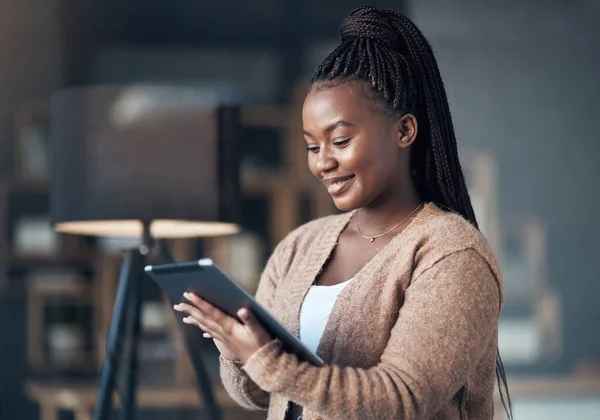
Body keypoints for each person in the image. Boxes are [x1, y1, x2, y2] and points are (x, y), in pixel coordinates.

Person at [174, 5, 512, 420]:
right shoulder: (300, 246)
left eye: (340, 140)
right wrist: (237, 351)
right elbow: (266, 395)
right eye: (313, 147)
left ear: (404, 130)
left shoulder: (452, 255)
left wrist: (266, 357)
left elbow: (401, 399)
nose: (322, 163)